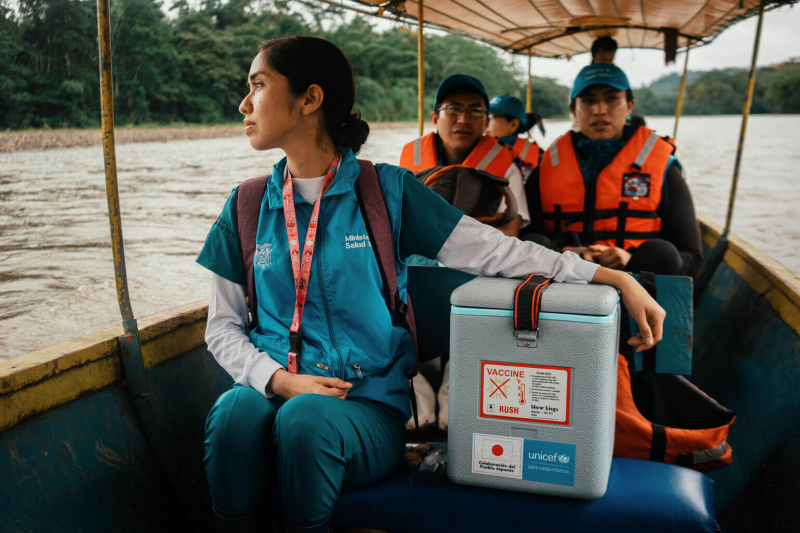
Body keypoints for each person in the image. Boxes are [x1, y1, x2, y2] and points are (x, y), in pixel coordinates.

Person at [197, 36, 666, 533]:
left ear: (310, 98)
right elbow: (222, 327)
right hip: (276, 389)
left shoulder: (386, 192)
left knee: (304, 421)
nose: (244, 104)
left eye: (258, 85)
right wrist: (278, 380)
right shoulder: (246, 206)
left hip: (363, 406)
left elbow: (497, 251)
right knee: (233, 413)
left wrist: (609, 275)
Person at [521, 63, 702, 278]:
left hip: (636, 282)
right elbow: (525, 239)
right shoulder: (545, 168)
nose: (599, 110)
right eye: (588, 101)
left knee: (662, 253)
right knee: (533, 243)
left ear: (630, 105)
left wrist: (630, 258)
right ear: (573, 110)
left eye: (611, 98)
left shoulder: (664, 167)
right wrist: (566, 255)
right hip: (563, 278)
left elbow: (691, 257)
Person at [399, 74, 529, 237]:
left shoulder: (507, 169)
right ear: (435, 119)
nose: (463, 119)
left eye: (475, 111)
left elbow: (509, 233)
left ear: (486, 122)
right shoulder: (410, 160)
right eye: (454, 109)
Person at [485, 94, 544, 180]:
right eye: (484, 116)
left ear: (513, 124)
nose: (485, 122)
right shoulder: (471, 148)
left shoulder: (540, 157)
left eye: (490, 116)